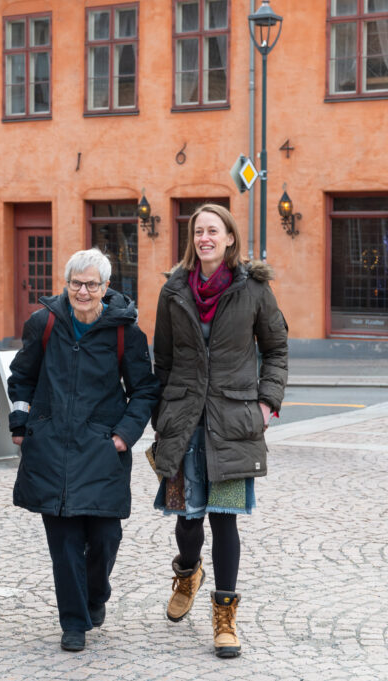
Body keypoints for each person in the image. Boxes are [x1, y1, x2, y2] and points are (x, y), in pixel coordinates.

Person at [151, 204, 288, 658]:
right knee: (187, 519)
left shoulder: (254, 289)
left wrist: (267, 402)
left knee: (224, 519)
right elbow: (163, 361)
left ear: (230, 238)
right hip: (184, 421)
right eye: (198, 231)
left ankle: (225, 618)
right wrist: (162, 417)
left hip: (231, 422)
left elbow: (276, 347)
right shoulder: (173, 290)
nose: (205, 238)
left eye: (214, 230)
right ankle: (188, 571)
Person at [7, 248, 160, 653]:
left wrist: (124, 435)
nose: (83, 291)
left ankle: (95, 594)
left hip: (102, 448)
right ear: (66, 284)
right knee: (65, 542)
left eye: (92, 284)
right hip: (51, 449)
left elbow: (144, 389)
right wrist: (21, 425)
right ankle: (73, 621)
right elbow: (21, 378)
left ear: (106, 287)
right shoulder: (44, 323)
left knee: (106, 535)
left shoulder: (125, 332)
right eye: (76, 283)